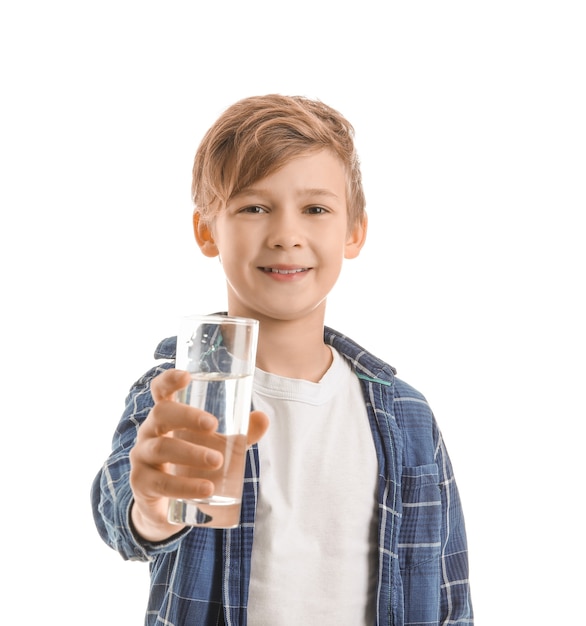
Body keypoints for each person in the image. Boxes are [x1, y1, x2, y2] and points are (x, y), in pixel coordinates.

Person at [91, 94, 473, 625]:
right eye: (253, 207)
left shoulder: (408, 416)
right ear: (207, 230)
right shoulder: (180, 391)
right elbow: (120, 514)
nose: (286, 235)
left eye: (316, 209)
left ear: (354, 231)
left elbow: (451, 598)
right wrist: (153, 509)